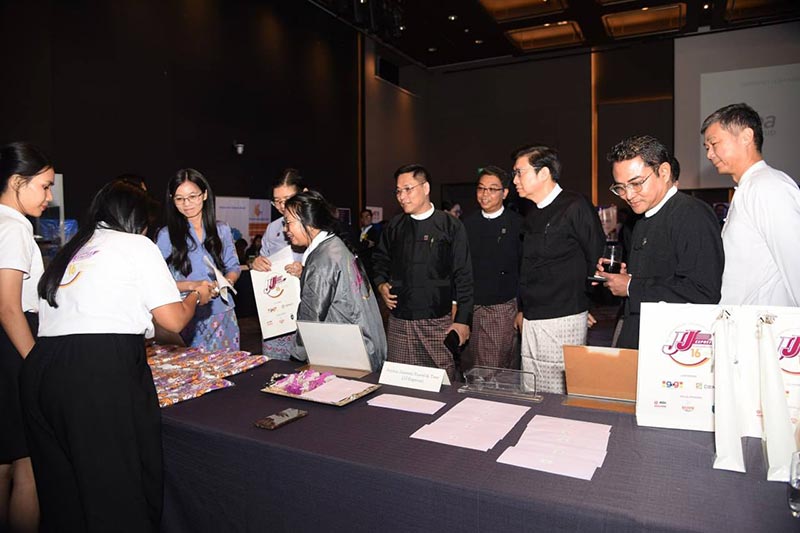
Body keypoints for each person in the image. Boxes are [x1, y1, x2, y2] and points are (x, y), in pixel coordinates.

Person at [20, 181, 213, 532]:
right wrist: (196, 297)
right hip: (97, 372)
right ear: (137, 221)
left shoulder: (72, 250)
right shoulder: (136, 244)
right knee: (115, 487)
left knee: (63, 489)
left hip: (42, 367)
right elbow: (172, 320)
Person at [600, 135, 724, 348]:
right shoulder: (641, 217)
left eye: (636, 184)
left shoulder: (692, 214)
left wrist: (631, 286)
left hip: (673, 345)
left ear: (664, 172)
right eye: (620, 187)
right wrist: (621, 278)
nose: (628, 195)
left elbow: (702, 291)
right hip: (640, 337)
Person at [512, 145, 605, 394]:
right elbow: (528, 267)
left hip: (563, 315)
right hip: (532, 317)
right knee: (531, 386)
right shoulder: (531, 214)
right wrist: (523, 309)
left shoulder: (575, 206)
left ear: (543, 173)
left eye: (520, 172)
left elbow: (596, 257)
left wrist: (585, 303)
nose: (515, 180)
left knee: (558, 392)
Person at [372, 164, 473, 381]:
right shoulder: (395, 226)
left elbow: (463, 275)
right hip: (399, 320)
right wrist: (381, 284)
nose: (402, 196)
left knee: (441, 384)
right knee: (398, 384)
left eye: (408, 189)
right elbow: (379, 260)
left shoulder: (450, 225)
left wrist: (462, 320)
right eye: (398, 191)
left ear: (426, 188)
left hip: (436, 322)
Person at [0, 142, 52, 533]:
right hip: (14, 345)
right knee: (29, 464)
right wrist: (37, 365)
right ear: (18, 182)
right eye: (44, 186)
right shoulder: (15, 226)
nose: (49, 197)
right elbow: (9, 307)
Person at [701, 102, 800, 306]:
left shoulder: (768, 186)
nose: (709, 154)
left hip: (764, 322)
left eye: (714, 144)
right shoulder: (751, 186)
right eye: (707, 148)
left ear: (746, 137)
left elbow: (795, 263)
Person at [283, 191, 387, 371]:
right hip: (364, 344)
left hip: (349, 352)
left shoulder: (323, 258)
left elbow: (311, 315)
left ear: (307, 221)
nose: (286, 229)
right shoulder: (334, 246)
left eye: (288, 222)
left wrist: (296, 356)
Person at [156, 169, 241, 351]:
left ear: (204, 195)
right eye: (179, 199)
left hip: (223, 313)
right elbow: (158, 282)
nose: (187, 204)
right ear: (172, 200)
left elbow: (233, 266)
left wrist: (226, 282)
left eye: (192, 196)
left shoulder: (222, 229)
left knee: (228, 364)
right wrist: (193, 286)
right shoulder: (166, 235)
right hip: (187, 315)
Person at [461, 165, 522, 370]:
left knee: (495, 366)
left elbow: (524, 270)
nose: (485, 194)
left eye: (492, 189)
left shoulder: (518, 224)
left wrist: (523, 309)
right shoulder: (467, 224)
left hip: (502, 306)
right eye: (481, 188)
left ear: (505, 193)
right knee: (468, 363)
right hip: (471, 306)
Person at [251, 169, 306, 359]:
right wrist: (257, 264)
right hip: (279, 311)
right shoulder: (273, 228)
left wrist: (306, 271)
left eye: (288, 199)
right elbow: (263, 259)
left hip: (310, 311)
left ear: (303, 194)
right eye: (277, 201)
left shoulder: (318, 226)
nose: (283, 206)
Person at [356, 208, 381, 283]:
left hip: (370, 263)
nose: (365, 219)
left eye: (368, 216)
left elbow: (372, 245)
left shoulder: (375, 231)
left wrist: (363, 245)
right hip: (359, 262)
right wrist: (364, 244)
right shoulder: (358, 231)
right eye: (363, 217)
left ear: (371, 217)